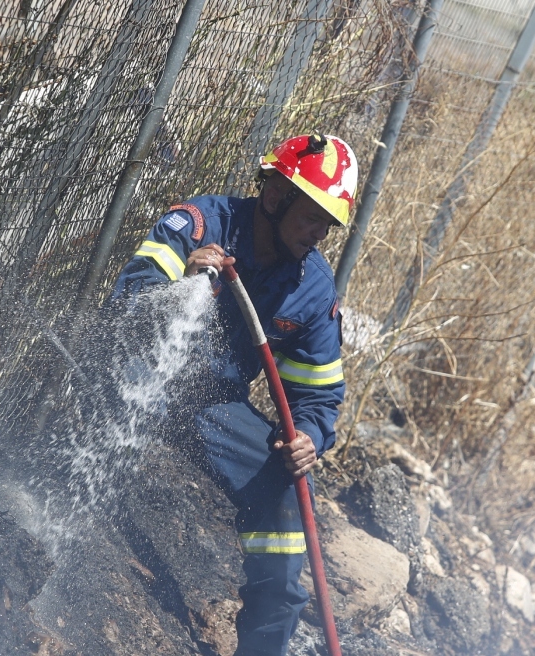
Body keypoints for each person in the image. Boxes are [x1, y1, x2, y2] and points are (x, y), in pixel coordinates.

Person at [111, 133, 357, 655]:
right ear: (275, 197)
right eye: (311, 214)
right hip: (133, 375)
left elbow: (317, 397)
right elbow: (127, 304)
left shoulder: (312, 289)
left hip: (211, 406)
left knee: (286, 493)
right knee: (99, 431)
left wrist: (310, 438)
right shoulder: (200, 222)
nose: (318, 233)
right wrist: (184, 281)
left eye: (327, 224)